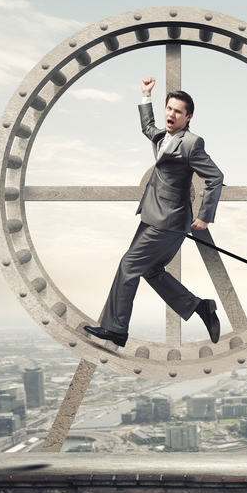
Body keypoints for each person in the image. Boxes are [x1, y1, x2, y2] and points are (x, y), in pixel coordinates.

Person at [84, 77, 223, 347]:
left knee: (128, 267)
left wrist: (205, 215)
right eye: (168, 109)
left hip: (168, 221)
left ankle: (115, 330)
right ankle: (200, 307)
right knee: (152, 270)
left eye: (178, 111)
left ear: (188, 117)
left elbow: (215, 177)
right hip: (152, 216)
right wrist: (146, 95)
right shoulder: (161, 136)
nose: (171, 114)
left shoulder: (192, 143)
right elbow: (148, 127)